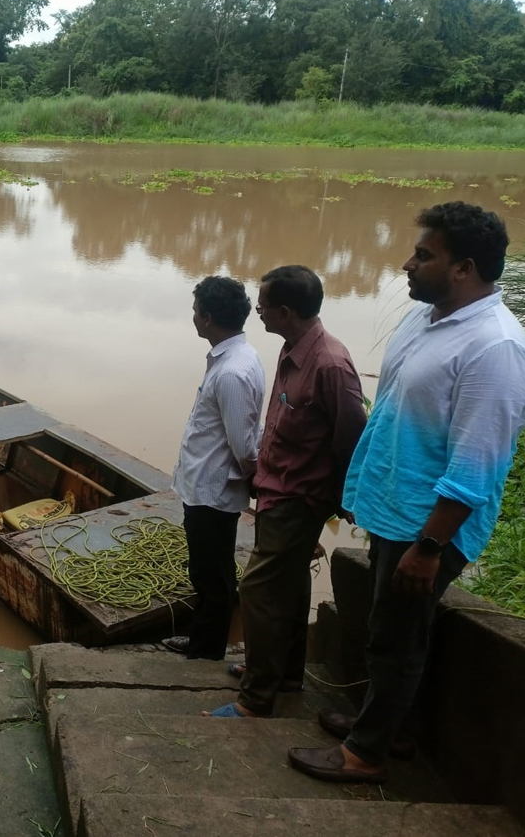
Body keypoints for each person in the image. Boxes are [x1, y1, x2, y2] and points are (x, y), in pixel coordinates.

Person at [289, 203, 525, 784]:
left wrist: (430, 546)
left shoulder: (494, 349)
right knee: (387, 629)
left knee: (397, 641)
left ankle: (367, 752)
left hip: (428, 526)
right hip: (395, 508)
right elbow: (391, 419)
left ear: (464, 268)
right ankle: (388, 727)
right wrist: (358, 488)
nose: (407, 264)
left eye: (424, 255)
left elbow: (476, 463)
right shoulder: (426, 319)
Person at [206, 265, 368, 718]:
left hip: (300, 497)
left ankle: (256, 700)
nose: (256, 312)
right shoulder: (292, 348)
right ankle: (284, 672)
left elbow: (352, 439)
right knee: (291, 588)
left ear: (285, 310)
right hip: (276, 490)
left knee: (258, 590)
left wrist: (336, 498)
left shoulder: (330, 364)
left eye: (263, 306)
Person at [164, 277, 264, 661]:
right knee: (208, 570)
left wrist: (251, 482)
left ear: (206, 318)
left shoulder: (231, 372)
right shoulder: (240, 357)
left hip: (213, 491)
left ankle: (206, 652)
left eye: (194, 312)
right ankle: (203, 639)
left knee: (212, 575)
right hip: (205, 485)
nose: (192, 318)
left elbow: (244, 446)